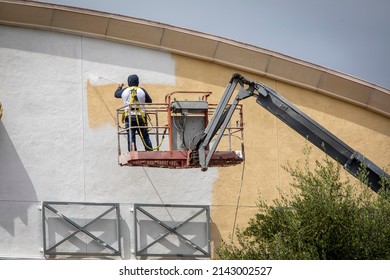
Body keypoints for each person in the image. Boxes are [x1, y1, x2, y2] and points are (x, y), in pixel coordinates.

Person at [114, 74, 153, 151]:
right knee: (145, 136)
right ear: (137, 82)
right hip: (141, 117)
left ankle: (132, 151)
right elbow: (149, 101)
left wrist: (120, 87)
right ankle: (149, 150)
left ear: (129, 82)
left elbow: (116, 94)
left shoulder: (124, 91)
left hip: (129, 118)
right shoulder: (142, 90)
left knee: (131, 136)